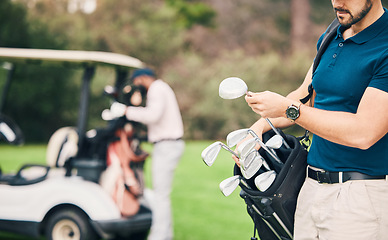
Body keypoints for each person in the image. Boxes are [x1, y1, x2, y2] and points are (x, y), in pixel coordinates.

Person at [236, 0, 388, 239]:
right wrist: (258, 129)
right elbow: (305, 98)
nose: (337, 2)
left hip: (361, 198)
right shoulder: (332, 34)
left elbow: (364, 132)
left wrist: (288, 108)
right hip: (310, 188)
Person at [111, 68, 184, 240]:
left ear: (143, 78)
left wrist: (125, 111)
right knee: (161, 194)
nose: (137, 87)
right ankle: (165, 234)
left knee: (161, 195)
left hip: (167, 145)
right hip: (168, 144)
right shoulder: (162, 87)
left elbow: (153, 115)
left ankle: (159, 236)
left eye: (137, 83)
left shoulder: (157, 89)